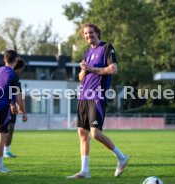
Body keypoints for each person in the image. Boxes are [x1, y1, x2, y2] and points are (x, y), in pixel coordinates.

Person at [67, 23, 129, 179]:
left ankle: (122, 157)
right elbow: (81, 78)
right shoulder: (87, 52)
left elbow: (113, 69)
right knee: (82, 133)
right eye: (86, 34)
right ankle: (85, 171)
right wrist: (83, 69)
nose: (88, 36)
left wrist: (92, 69)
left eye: (91, 33)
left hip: (97, 96)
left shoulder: (107, 47)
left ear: (97, 33)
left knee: (95, 133)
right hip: (83, 96)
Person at [4, 58, 28, 158]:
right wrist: (24, 112)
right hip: (10, 108)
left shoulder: (2, 74)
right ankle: (4, 151)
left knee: (4, 130)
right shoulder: (15, 78)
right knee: (8, 129)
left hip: (2, 106)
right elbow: (20, 98)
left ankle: (5, 151)